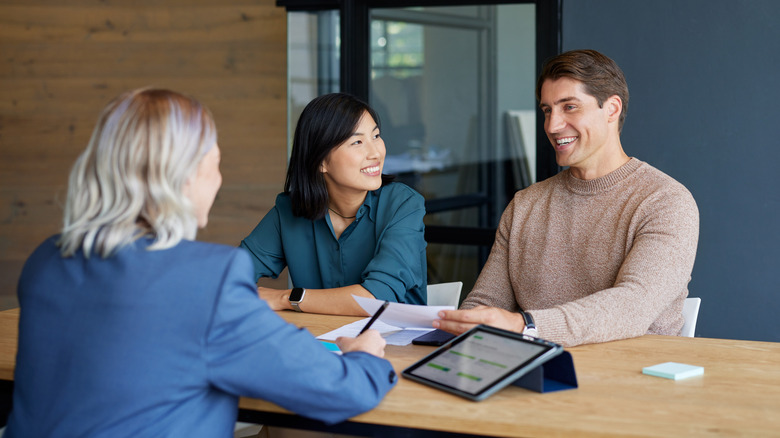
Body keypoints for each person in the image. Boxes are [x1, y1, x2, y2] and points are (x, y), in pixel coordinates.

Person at [5, 89, 397, 438]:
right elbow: (340, 389)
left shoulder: (47, 260)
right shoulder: (210, 279)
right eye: (215, 163)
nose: (218, 180)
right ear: (187, 176)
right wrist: (364, 355)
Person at [433, 49, 699, 347]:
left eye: (569, 107)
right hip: (535, 367)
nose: (552, 125)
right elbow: (486, 302)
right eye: (547, 110)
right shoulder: (525, 205)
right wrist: (462, 324)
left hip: (634, 371)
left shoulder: (665, 201)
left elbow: (633, 306)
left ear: (612, 109)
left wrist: (526, 325)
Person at [240, 93, 427, 316]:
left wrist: (286, 298)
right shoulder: (289, 211)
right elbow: (229, 277)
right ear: (320, 161)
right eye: (357, 142)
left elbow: (377, 299)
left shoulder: (403, 205)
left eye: (376, 136)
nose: (376, 153)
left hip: (396, 337)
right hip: (318, 336)